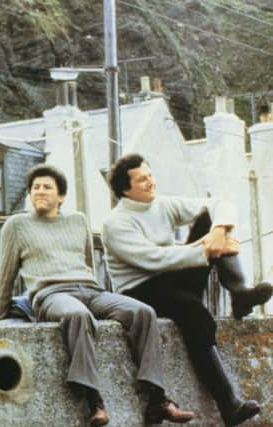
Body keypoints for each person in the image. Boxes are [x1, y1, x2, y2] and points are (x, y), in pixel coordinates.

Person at [0, 164, 194, 426]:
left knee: (142, 312)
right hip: (50, 294)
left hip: (89, 288)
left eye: (46, 187)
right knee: (78, 316)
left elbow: (88, 262)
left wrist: (99, 295)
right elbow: (5, 274)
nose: (39, 191)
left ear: (61, 196)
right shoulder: (17, 225)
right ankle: (94, 402)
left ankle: (158, 400)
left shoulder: (78, 220)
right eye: (35, 188)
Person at [102, 153, 272, 427]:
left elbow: (220, 203)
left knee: (213, 221)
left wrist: (217, 232)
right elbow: (154, 259)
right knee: (193, 311)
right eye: (142, 179)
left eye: (150, 175)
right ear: (125, 189)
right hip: (140, 288)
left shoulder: (162, 204)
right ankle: (229, 403)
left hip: (173, 276)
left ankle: (239, 293)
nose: (150, 182)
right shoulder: (116, 223)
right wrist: (206, 249)